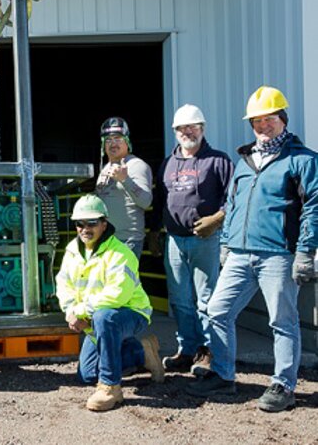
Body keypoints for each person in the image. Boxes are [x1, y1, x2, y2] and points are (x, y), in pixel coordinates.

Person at [185, 86, 318, 412]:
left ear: (282, 119)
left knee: (282, 322)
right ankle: (223, 376)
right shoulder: (244, 161)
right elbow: (232, 204)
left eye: (269, 119)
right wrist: (228, 245)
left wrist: (305, 251)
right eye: (257, 121)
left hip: (278, 254)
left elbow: (314, 207)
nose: (263, 126)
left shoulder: (303, 160)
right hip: (240, 254)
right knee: (217, 311)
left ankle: (283, 386)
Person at [56, 195, 164, 411]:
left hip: (130, 314)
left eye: (92, 223)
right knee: (87, 375)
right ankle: (141, 351)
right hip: (94, 316)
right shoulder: (72, 251)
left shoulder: (120, 253)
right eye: (80, 224)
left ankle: (110, 387)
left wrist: (82, 312)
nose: (85, 228)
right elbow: (63, 282)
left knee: (104, 317)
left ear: (104, 224)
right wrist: (70, 310)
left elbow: (117, 295)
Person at [148, 105, 234, 375]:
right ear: (175, 132)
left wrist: (216, 220)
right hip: (174, 240)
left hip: (205, 241)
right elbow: (161, 200)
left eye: (193, 126)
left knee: (206, 300)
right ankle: (187, 349)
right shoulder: (168, 163)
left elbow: (233, 199)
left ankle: (208, 351)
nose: (188, 131)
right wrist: (154, 231)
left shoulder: (219, 161)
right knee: (180, 300)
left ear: (203, 129)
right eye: (182, 128)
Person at [94, 117, 153, 259]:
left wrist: (125, 179)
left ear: (127, 141)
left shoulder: (136, 165)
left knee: (123, 282)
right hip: (105, 240)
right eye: (108, 139)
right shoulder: (105, 168)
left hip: (127, 242)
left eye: (117, 138)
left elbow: (146, 201)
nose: (113, 143)